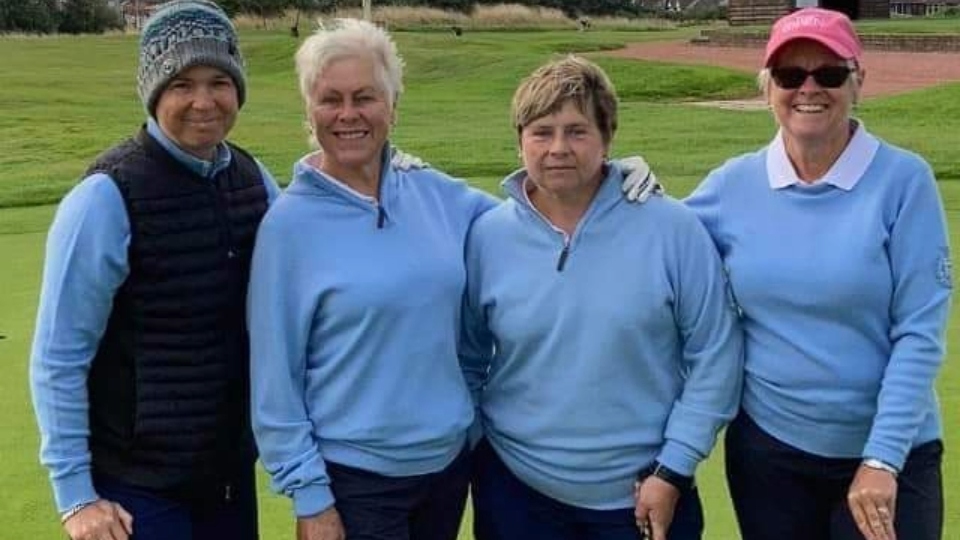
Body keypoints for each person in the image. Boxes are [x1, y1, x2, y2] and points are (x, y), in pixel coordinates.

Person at [246, 20, 661, 540]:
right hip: (355, 482)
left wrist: (608, 175)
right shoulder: (289, 226)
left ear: (392, 106)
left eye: (365, 97)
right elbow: (274, 383)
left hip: (446, 471)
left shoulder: (435, 195)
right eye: (331, 99)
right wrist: (309, 497)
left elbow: (540, 218)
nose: (348, 114)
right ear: (310, 111)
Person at [623, 8, 951, 540]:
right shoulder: (735, 184)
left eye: (829, 74)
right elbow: (664, 241)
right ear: (767, 86)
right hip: (771, 456)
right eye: (790, 75)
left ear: (858, 81)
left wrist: (882, 460)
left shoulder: (903, 182)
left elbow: (918, 334)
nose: (809, 89)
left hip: (890, 454)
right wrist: (617, 184)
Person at [459, 55, 744, 540]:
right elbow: (468, 356)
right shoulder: (487, 236)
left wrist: (674, 467)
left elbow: (716, 354)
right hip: (516, 490)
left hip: (644, 492)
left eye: (577, 131)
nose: (558, 148)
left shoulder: (672, 229)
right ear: (520, 140)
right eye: (541, 132)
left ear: (607, 138)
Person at [28, 2, 280, 539]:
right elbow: (59, 355)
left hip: (228, 479)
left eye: (219, 81)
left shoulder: (257, 181)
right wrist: (76, 497)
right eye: (181, 83)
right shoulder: (104, 196)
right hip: (136, 489)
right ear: (153, 92)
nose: (203, 101)